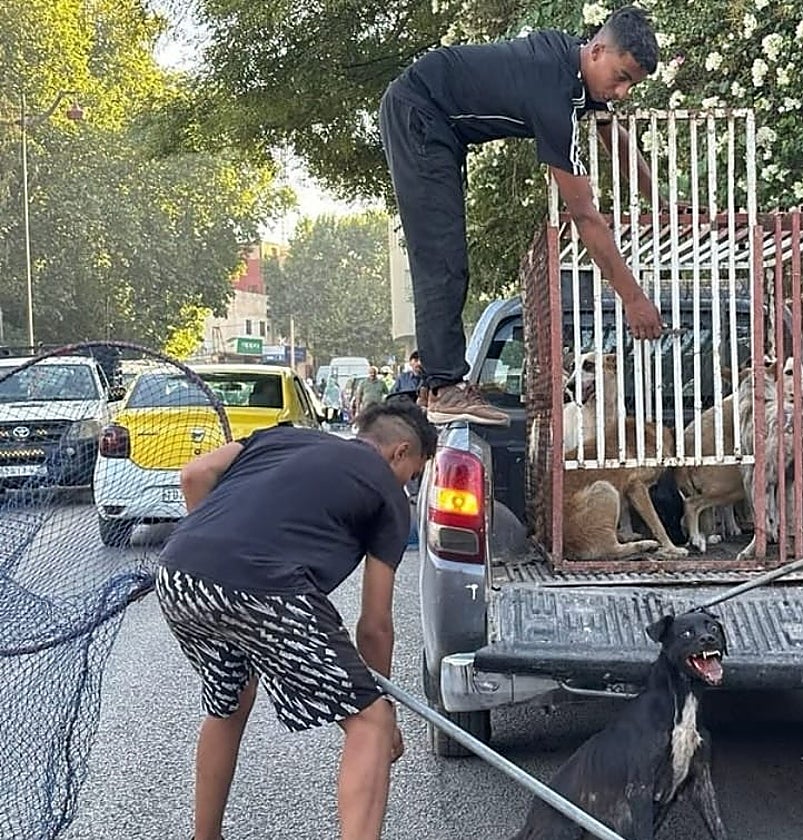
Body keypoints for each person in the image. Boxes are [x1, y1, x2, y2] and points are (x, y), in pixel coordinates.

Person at [155, 400, 438, 840]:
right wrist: (377, 707)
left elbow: (194, 475)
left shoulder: (280, 436)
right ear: (400, 452)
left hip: (179, 573)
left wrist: (217, 555)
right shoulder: (388, 494)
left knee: (229, 699)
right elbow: (375, 624)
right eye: (415, 472)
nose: (410, 482)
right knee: (371, 723)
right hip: (267, 588)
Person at [379, 6, 667, 428]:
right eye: (621, 77)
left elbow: (612, 134)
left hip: (438, 120)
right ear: (598, 50)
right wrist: (635, 300)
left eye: (631, 85)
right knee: (442, 255)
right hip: (420, 113)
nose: (622, 92)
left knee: (447, 252)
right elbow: (584, 216)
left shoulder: (574, 69)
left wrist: (657, 201)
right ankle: (443, 388)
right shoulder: (552, 93)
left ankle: (438, 385)